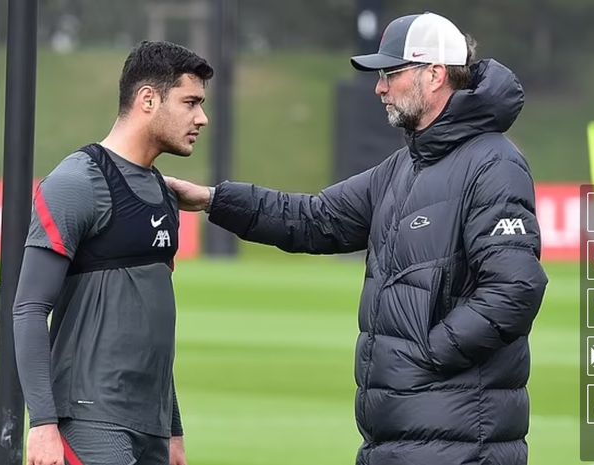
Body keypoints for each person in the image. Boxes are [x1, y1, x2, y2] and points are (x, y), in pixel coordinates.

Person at [165, 12, 547, 465]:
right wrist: (213, 199)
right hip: (399, 440)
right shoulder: (404, 166)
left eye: (391, 73)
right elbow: (314, 218)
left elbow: (515, 289)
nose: (379, 88)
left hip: (461, 446)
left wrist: (428, 355)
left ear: (436, 74)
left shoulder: (493, 164)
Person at [12, 41, 212, 465]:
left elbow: (149, 320)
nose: (202, 118)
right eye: (190, 102)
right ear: (147, 99)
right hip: (91, 421)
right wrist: (42, 424)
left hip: (151, 427)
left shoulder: (163, 192)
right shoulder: (77, 182)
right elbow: (29, 307)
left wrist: (173, 428)